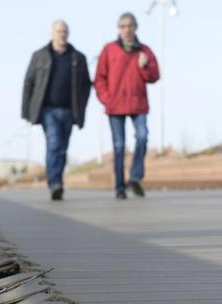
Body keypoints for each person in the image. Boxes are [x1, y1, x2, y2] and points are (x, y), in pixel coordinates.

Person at [22, 20, 91, 201]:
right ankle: (54, 183)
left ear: (68, 34)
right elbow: (29, 83)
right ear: (52, 33)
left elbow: (86, 85)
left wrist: (81, 108)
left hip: (69, 110)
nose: (62, 34)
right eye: (59, 31)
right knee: (53, 143)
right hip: (47, 110)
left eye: (65, 31)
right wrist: (26, 111)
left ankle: (57, 180)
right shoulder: (40, 56)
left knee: (62, 148)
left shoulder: (78, 58)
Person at [95, 12, 160, 199]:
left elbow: (155, 76)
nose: (126, 29)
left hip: (137, 103)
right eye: (123, 26)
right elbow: (99, 78)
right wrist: (106, 98)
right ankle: (119, 187)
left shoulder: (144, 51)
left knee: (142, 137)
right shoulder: (109, 50)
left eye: (130, 26)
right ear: (118, 29)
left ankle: (135, 177)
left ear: (135, 28)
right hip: (115, 106)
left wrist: (144, 67)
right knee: (119, 146)